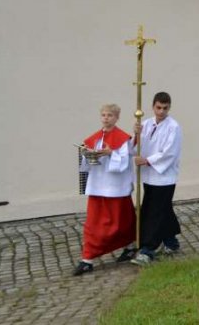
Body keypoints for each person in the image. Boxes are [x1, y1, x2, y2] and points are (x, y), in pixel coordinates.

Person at [73, 104, 136, 275]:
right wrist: (86, 153)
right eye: (103, 115)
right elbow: (86, 165)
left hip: (116, 188)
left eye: (110, 115)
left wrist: (110, 154)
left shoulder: (123, 138)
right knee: (93, 224)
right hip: (97, 187)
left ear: (117, 117)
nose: (106, 118)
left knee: (122, 223)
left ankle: (130, 246)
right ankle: (87, 259)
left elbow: (124, 163)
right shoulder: (95, 138)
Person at [131, 92, 182, 266]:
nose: (161, 111)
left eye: (165, 108)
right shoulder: (145, 124)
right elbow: (136, 147)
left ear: (169, 108)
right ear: (153, 106)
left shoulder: (173, 127)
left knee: (154, 212)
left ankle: (148, 249)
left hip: (164, 177)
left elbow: (169, 153)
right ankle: (171, 242)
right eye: (158, 107)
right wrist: (136, 135)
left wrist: (147, 160)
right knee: (163, 209)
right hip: (149, 176)